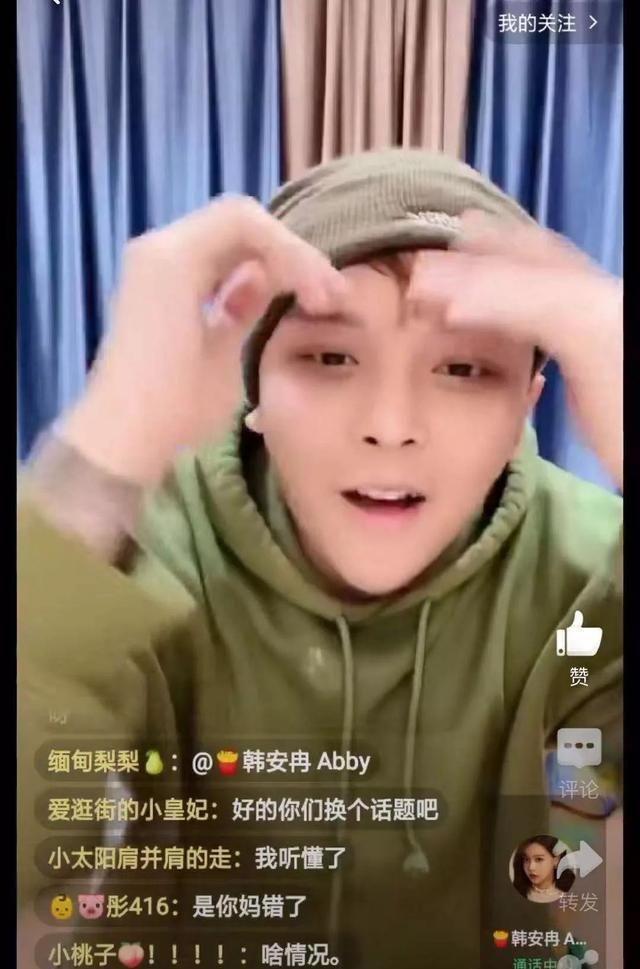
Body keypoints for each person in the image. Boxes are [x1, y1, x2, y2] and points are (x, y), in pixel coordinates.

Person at [18, 149, 622, 969]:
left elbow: (600, 880)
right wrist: (99, 462)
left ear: (527, 403)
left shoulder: (588, 565)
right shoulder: (134, 547)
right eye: (331, 357)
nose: (390, 424)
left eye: (463, 368)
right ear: (255, 387)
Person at [512, 835, 576, 903]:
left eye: (539, 859)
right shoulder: (516, 892)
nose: (531, 867)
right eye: (526, 859)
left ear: (556, 860)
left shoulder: (571, 892)